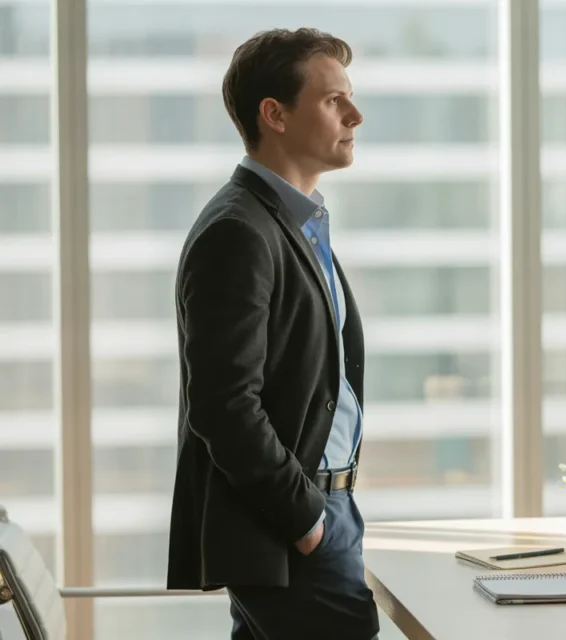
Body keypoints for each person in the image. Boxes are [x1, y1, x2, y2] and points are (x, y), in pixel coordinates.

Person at [166, 27, 379, 640]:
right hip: (291, 525)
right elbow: (224, 404)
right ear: (274, 115)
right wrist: (306, 520)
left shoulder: (292, 222)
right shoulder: (239, 231)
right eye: (333, 100)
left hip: (319, 512)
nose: (355, 114)